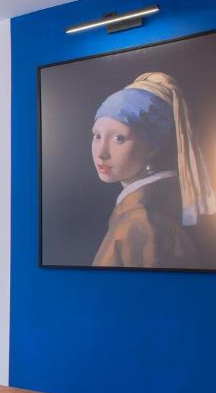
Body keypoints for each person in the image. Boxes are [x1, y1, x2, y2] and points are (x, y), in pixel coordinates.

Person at [90, 72, 216, 268]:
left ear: (151, 147)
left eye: (118, 138)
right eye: (97, 136)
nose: (101, 152)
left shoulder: (140, 221)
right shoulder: (150, 207)